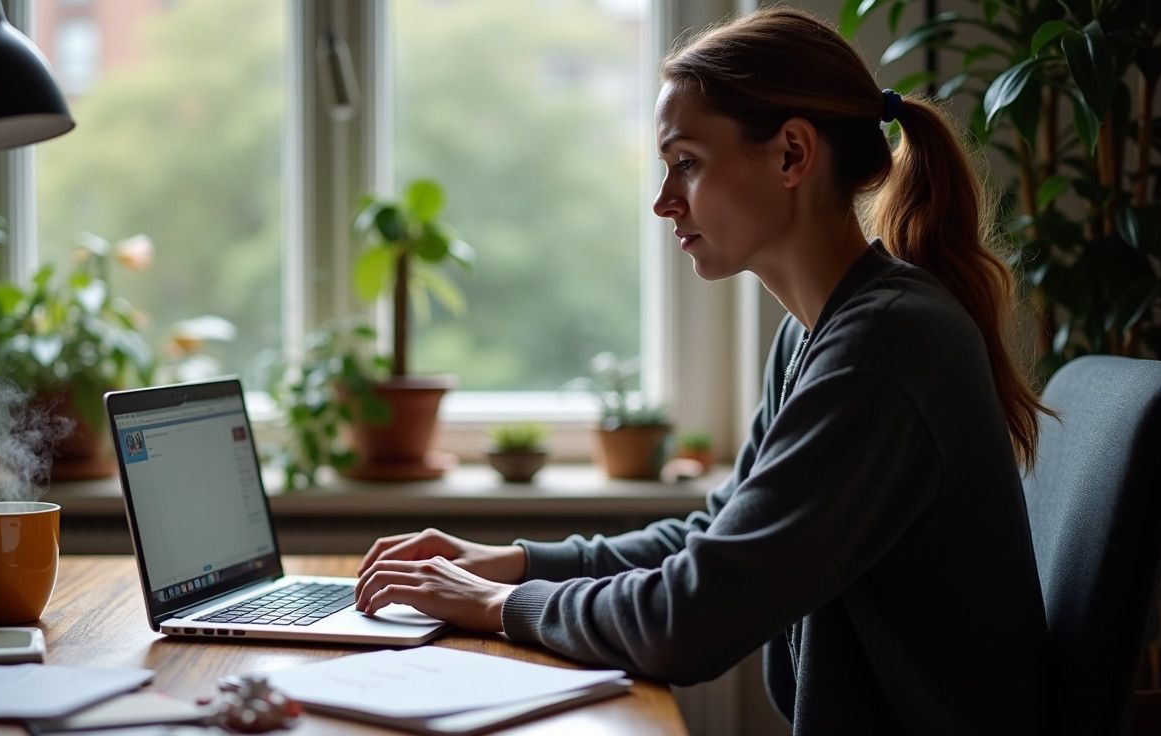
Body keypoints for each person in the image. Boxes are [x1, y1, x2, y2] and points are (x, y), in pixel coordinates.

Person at [354, 8, 1051, 732]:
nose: (663, 201)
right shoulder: (819, 334)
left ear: (791, 155)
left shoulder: (887, 346)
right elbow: (717, 535)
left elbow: (690, 620)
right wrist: (517, 563)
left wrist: (498, 607)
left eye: (685, 162)